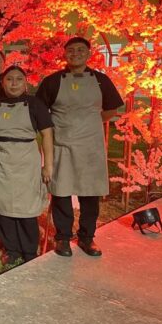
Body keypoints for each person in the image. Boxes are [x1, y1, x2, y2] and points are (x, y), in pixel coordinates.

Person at [36, 37, 123, 257]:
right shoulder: (53, 81)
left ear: (89, 53)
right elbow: (39, 111)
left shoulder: (101, 80)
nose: (75, 53)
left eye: (80, 50)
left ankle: (87, 237)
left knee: (90, 193)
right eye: (71, 50)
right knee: (61, 192)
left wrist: (89, 123)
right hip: (62, 144)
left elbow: (112, 109)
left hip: (90, 145)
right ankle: (63, 238)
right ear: (65, 53)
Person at [0, 66, 54, 264]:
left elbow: (47, 135)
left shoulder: (35, 104)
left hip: (26, 161)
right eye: (9, 79)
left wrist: (48, 165)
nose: (14, 83)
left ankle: (29, 250)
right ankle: (11, 249)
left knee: (27, 207)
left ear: (25, 83)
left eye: (18, 79)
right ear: (3, 83)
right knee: (2, 205)